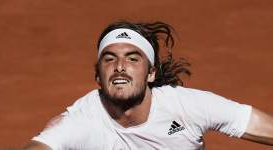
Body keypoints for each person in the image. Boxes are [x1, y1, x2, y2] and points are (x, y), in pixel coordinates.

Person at [23, 21, 273, 150]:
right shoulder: (80, 121)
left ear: (151, 73)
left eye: (132, 59)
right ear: (98, 76)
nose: (120, 66)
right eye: (109, 59)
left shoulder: (186, 106)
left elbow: (255, 124)